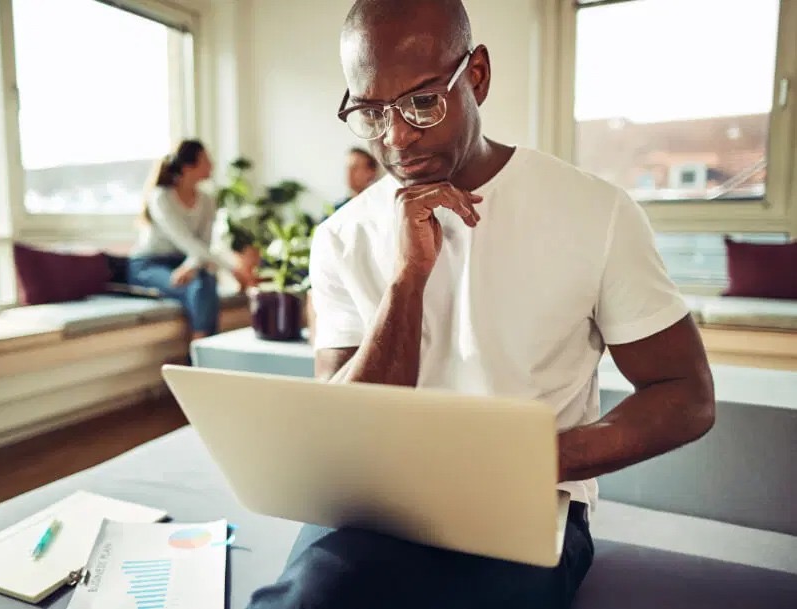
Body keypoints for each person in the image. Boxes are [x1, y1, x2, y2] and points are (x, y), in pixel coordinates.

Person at [248, 1, 716, 608]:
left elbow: (687, 393)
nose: (396, 137)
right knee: (309, 600)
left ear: (477, 77)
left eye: (421, 103)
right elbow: (343, 423)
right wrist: (406, 280)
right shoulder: (341, 237)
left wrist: (528, 460)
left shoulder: (595, 213)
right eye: (370, 111)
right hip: (377, 506)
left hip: (526, 501)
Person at [129, 140, 255, 339]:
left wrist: (191, 265)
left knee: (206, 281)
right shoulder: (161, 197)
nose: (212, 165)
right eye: (206, 160)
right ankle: (201, 354)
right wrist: (232, 269)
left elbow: (202, 245)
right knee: (193, 286)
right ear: (188, 166)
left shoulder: (207, 201)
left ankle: (200, 351)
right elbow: (186, 241)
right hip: (149, 265)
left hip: (184, 261)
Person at [335, 147, 379, 211]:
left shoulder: (379, 203)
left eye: (354, 168)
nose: (349, 172)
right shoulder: (338, 209)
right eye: (348, 167)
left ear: (371, 172)